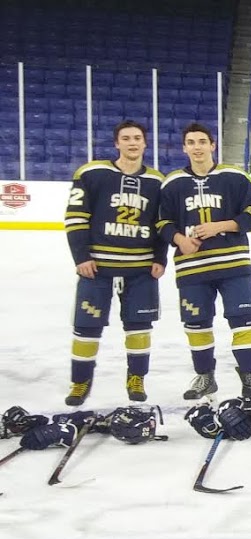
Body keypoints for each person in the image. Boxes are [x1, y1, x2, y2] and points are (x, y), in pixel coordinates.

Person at [157, 122, 251, 402]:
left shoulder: (234, 177)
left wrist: (222, 225)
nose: (197, 147)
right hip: (192, 267)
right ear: (184, 147)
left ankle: (250, 378)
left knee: (244, 320)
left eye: (202, 142)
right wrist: (179, 239)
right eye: (191, 142)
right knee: (196, 322)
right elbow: (161, 222)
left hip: (233, 264)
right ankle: (205, 377)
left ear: (213, 145)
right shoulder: (172, 183)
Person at [61, 120, 167, 406]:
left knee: (140, 326)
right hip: (98, 267)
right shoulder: (92, 173)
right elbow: (75, 218)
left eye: (137, 138)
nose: (132, 143)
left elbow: (162, 223)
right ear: (116, 143)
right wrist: (81, 256)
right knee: (87, 326)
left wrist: (160, 258)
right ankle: (80, 381)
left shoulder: (158, 181)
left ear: (145, 143)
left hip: (141, 268)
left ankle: (136, 378)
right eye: (126, 138)